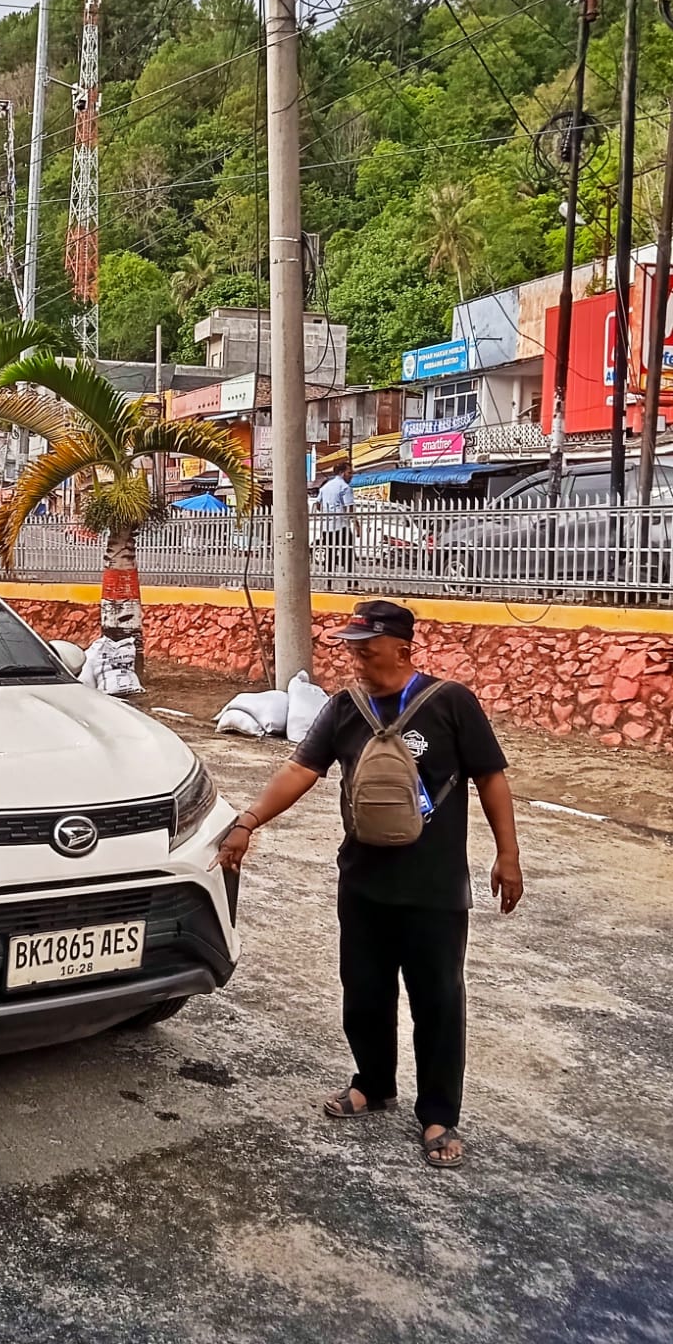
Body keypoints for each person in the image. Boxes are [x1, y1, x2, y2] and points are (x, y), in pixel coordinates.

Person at [214, 600, 523, 1169]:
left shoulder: (450, 702)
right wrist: (249, 821)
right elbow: (299, 771)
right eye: (351, 643)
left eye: (366, 643)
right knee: (364, 995)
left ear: (403, 647)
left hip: (433, 889)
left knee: (437, 1002)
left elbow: (490, 778)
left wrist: (508, 853)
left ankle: (437, 1114)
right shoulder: (345, 708)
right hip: (362, 882)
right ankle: (374, 1083)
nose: (354, 654)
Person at [316, 460, 356, 589]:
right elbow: (350, 509)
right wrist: (357, 525)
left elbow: (318, 504)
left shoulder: (325, 486)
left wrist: (326, 512)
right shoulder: (345, 487)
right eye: (349, 473)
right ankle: (351, 583)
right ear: (342, 473)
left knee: (329, 555)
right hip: (342, 526)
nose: (351, 476)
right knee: (348, 554)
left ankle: (328, 583)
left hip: (327, 527)